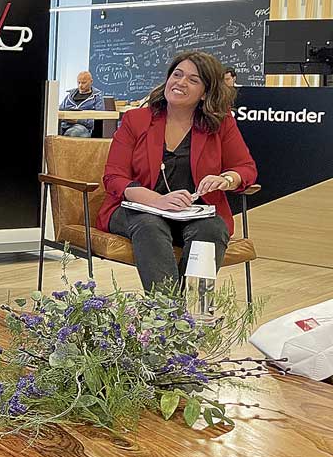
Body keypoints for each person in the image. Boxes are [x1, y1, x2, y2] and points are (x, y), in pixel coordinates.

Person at [98, 50, 257, 293]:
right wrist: (158, 201)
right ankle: (168, 315)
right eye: (177, 74)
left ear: (205, 93)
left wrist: (225, 180)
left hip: (194, 212)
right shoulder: (136, 120)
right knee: (150, 224)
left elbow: (245, 168)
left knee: (212, 228)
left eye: (193, 80)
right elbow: (114, 177)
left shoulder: (221, 123)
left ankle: (192, 309)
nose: (181, 82)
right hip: (137, 210)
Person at [58, 70, 104, 137]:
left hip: (83, 127)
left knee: (73, 133)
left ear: (91, 82)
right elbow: (60, 110)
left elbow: (98, 120)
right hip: (64, 125)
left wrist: (78, 120)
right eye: (78, 82)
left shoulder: (96, 97)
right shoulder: (69, 96)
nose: (80, 86)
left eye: (83, 83)